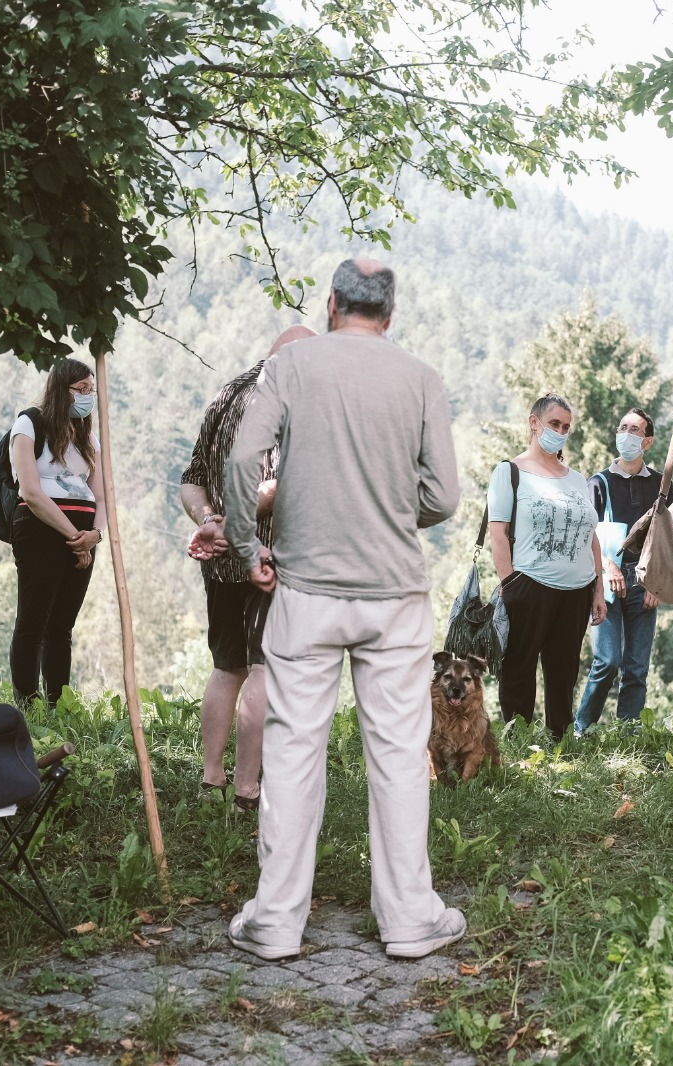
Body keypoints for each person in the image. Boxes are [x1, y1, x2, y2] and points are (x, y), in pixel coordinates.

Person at [222, 258, 464, 961]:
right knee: (396, 755)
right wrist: (391, 508)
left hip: (306, 588)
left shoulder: (292, 368)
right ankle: (411, 920)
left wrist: (247, 544)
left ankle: (275, 921)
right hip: (394, 594)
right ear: (389, 315)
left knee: (294, 750)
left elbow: (242, 461)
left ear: (331, 303)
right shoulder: (420, 377)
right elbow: (445, 497)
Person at [181, 325, 316, 811]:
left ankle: (211, 778)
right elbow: (282, 485)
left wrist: (209, 522)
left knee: (226, 667)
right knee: (263, 670)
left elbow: (192, 477)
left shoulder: (227, 392)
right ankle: (247, 790)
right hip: (268, 557)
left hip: (217, 556)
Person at [488, 394, 606, 739]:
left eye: (566, 427)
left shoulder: (575, 478)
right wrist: (509, 585)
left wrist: (597, 588)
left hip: (577, 590)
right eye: (554, 423)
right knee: (518, 669)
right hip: (530, 584)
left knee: (564, 673)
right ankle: (519, 741)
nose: (560, 431)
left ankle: (560, 741)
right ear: (534, 422)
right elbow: (499, 534)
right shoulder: (509, 472)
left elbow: (591, 536)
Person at [8, 358, 106, 708]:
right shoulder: (29, 424)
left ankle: (57, 704)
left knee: (62, 626)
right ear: (59, 390)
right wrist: (73, 536)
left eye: (90, 391)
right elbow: (31, 492)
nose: (86, 397)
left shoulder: (89, 437)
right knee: (34, 619)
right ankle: (27, 704)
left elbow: (102, 491)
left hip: (83, 539)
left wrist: (94, 535)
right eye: (80, 390)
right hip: (39, 531)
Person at [574, 408, 672, 733]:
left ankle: (628, 736)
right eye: (622, 427)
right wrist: (606, 566)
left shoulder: (661, 486)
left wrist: (657, 585)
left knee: (636, 667)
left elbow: (671, 540)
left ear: (647, 441)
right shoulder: (598, 483)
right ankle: (581, 729)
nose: (626, 434)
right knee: (607, 661)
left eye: (634, 430)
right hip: (604, 582)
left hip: (645, 582)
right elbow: (584, 535)